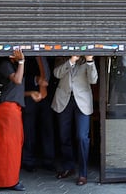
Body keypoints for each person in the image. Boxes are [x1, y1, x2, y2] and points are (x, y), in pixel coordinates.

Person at [0, 48, 42, 191]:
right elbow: (17, 80)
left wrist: (30, 93)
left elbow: (16, 89)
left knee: (12, 145)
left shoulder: (14, 66)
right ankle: (8, 181)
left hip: (13, 109)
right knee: (9, 147)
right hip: (8, 110)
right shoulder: (5, 65)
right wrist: (21, 61)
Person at [51, 55, 98, 186]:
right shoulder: (61, 56)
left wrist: (89, 61)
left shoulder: (88, 58)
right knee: (63, 136)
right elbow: (56, 74)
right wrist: (71, 60)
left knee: (82, 137)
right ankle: (68, 167)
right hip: (63, 99)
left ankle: (83, 173)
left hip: (82, 101)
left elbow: (93, 79)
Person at [22, 56, 55, 172]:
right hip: (31, 94)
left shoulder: (50, 55)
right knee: (29, 128)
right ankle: (28, 160)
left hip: (47, 96)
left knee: (48, 128)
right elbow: (20, 76)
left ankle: (48, 160)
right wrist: (36, 79)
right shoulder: (27, 54)